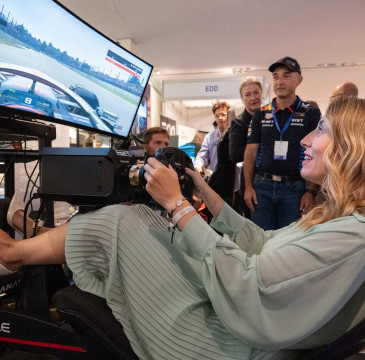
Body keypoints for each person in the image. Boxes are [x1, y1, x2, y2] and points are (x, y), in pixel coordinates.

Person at [1, 97, 365, 359]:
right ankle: (23, 244)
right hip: (246, 330)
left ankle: (16, 252)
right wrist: (203, 194)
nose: (305, 139)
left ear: (352, 148)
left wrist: (177, 206)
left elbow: (254, 287)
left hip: (231, 345)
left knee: (123, 220)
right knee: (144, 219)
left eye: (320, 131)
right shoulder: (340, 220)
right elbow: (261, 242)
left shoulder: (354, 235)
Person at [244, 56, 321, 230]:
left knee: (288, 243)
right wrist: (248, 186)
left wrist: (310, 192)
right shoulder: (261, 113)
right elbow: (250, 152)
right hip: (262, 187)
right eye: (276, 76)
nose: (280, 81)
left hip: (295, 188)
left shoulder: (310, 112)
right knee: (260, 241)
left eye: (286, 75)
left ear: (298, 80)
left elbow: (317, 152)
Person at [229, 77, 263, 218]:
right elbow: (235, 155)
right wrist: (259, 148)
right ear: (242, 99)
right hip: (251, 181)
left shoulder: (269, 117)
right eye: (247, 95)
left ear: (262, 94)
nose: (253, 98)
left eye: (256, 93)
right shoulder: (239, 123)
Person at [194, 101, 230, 176]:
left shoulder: (234, 135)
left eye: (223, 114)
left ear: (228, 115)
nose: (220, 118)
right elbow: (202, 155)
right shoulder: (209, 137)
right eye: (217, 115)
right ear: (214, 118)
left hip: (232, 176)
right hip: (215, 176)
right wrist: (197, 165)